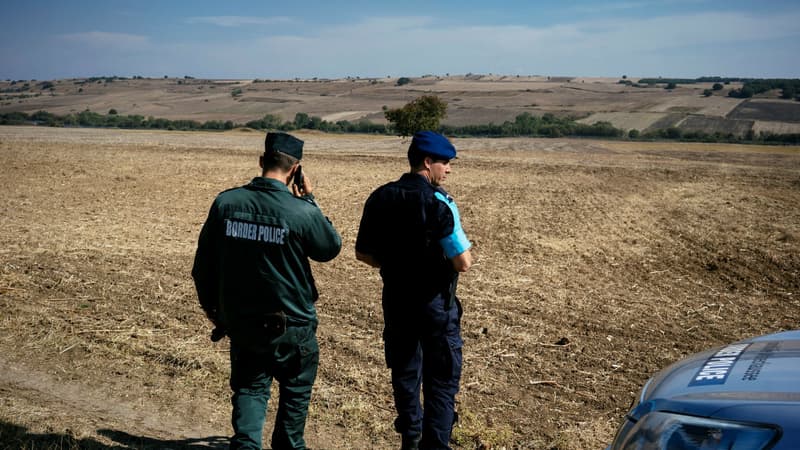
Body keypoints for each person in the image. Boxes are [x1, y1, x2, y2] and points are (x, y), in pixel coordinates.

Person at [192, 131, 341, 450]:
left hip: (243, 324)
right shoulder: (301, 211)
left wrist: (214, 310)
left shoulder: (226, 203)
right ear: (295, 169)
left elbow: (203, 265)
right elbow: (329, 248)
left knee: (249, 392)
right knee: (294, 401)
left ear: (262, 161)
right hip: (293, 328)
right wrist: (309, 200)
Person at [355, 131, 473, 450]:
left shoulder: (380, 197)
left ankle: (411, 436)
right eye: (445, 163)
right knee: (441, 382)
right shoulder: (440, 202)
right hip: (435, 307)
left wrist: (397, 264)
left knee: (405, 374)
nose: (448, 170)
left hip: (397, 302)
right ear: (426, 162)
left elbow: (363, 254)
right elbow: (462, 262)